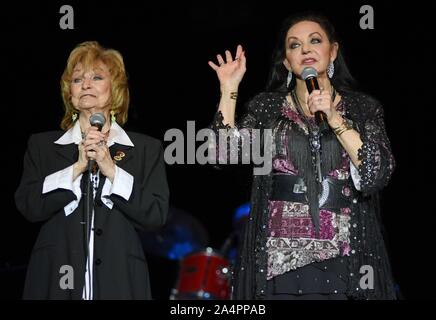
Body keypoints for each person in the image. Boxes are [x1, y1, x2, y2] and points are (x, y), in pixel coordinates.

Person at [208, 12, 396, 300]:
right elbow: (222, 155)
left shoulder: (362, 108)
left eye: (315, 41)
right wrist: (229, 89)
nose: (305, 49)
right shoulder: (267, 108)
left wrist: (335, 119)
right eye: (294, 45)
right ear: (286, 61)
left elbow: (375, 173)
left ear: (333, 51)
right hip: (279, 262)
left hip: (345, 259)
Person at [15, 41, 169, 299]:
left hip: (120, 282)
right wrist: (76, 168)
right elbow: (28, 205)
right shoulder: (42, 145)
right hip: (55, 280)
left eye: (97, 77)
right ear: (70, 93)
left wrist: (111, 169)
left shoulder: (145, 149)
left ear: (115, 89)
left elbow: (155, 216)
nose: (86, 84)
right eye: (77, 80)